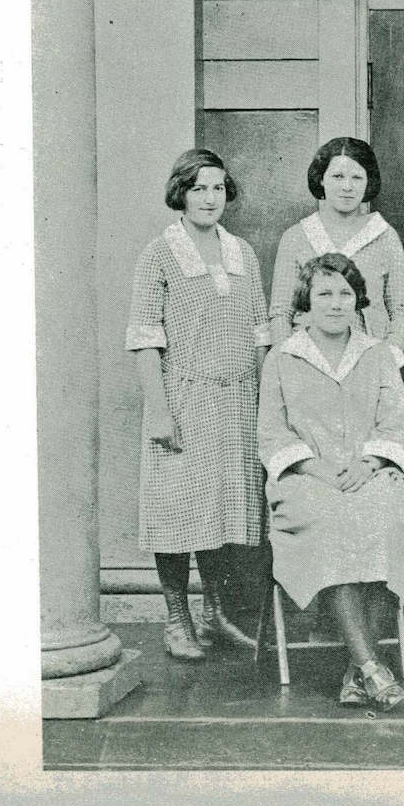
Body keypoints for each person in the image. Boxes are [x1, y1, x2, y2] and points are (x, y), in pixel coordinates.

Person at [258, 253, 404, 708]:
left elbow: (395, 425)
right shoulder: (282, 357)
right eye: (324, 294)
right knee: (333, 522)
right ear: (306, 301)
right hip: (307, 479)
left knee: (388, 523)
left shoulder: (378, 355)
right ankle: (371, 666)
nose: (335, 303)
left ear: (358, 301)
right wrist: (318, 469)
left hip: (372, 473)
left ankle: (358, 670)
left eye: (345, 294)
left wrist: (368, 465)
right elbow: (272, 434)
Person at [125, 149, 271, 661]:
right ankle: (177, 620)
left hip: (238, 400)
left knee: (220, 511)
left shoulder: (242, 252)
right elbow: (145, 339)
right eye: (198, 188)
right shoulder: (159, 254)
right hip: (183, 399)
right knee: (175, 511)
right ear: (181, 193)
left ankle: (214, 614)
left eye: (217, 188)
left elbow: (261, 333)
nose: (210, 198)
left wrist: (264, 401)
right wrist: (159, 409)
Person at [268, 137, 404, 363]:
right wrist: (290, 364)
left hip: (369, 361)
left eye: (357, 177)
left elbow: (401, 311)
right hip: (309, 361)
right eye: (337, 176)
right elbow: (280, 313)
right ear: (321, 178)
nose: (347, 187)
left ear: (368, 181)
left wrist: (386, 361)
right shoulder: (297, 236)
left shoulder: (384, 235)